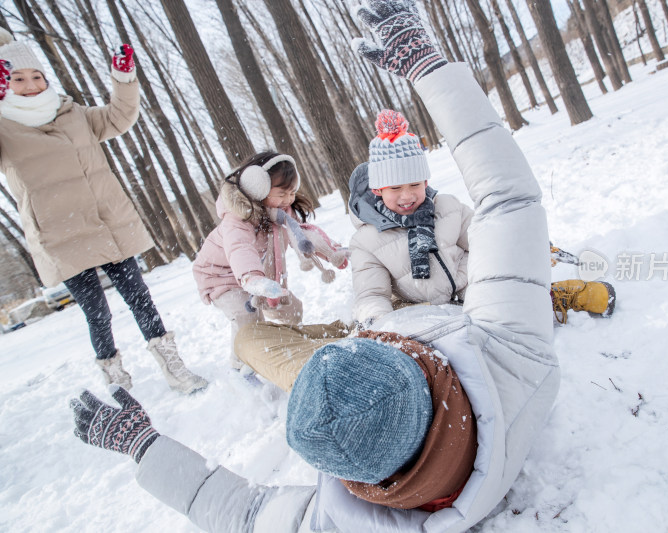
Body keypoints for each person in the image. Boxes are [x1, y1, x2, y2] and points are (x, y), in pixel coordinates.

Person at [69, 1, 560, 531]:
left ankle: (312, 367)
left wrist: (143, 447)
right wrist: (428, 68)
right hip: (412, 324)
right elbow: (508, 201)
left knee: (254, 341)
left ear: (352, 475)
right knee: (259, 337)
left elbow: (244, 513)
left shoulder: (344, 519)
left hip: (385, 332)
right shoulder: (512, 360)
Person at [0, 30, 206, 394]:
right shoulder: (5, 129)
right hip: (59, 235)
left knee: (140, 298)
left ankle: (174, 368)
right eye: (17, 78)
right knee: (98, 314)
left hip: (106, 222)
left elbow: (118, 117)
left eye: (37, 76)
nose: (30, 85)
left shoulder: (71, 113)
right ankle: (116, 378)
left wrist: (123, 78)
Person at [349, 111, 615, 327]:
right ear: (378, 190)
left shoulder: (447, 207)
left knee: (519, 299)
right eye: (395, 189)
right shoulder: (367, 241)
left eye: (414, 185)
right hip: (428, 315)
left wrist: (527, 248)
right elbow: (372, 294)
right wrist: (378, 323)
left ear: (425, 181)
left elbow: (489, 239)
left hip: (476, 288)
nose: (407, 196)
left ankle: (560, 296)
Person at [192, 151, 348, 369]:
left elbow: (301, 237)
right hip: (220, 277)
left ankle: (290, 343)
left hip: (259, 276)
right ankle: (241, 366)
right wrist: (253, 279)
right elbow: (240, 249)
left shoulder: (281, 212)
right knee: (247, 315)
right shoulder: (237, 219)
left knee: (291, 309)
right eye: (282, 193)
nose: (289, 199)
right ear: (257, 187)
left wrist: (331, 251)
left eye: (292, 192)